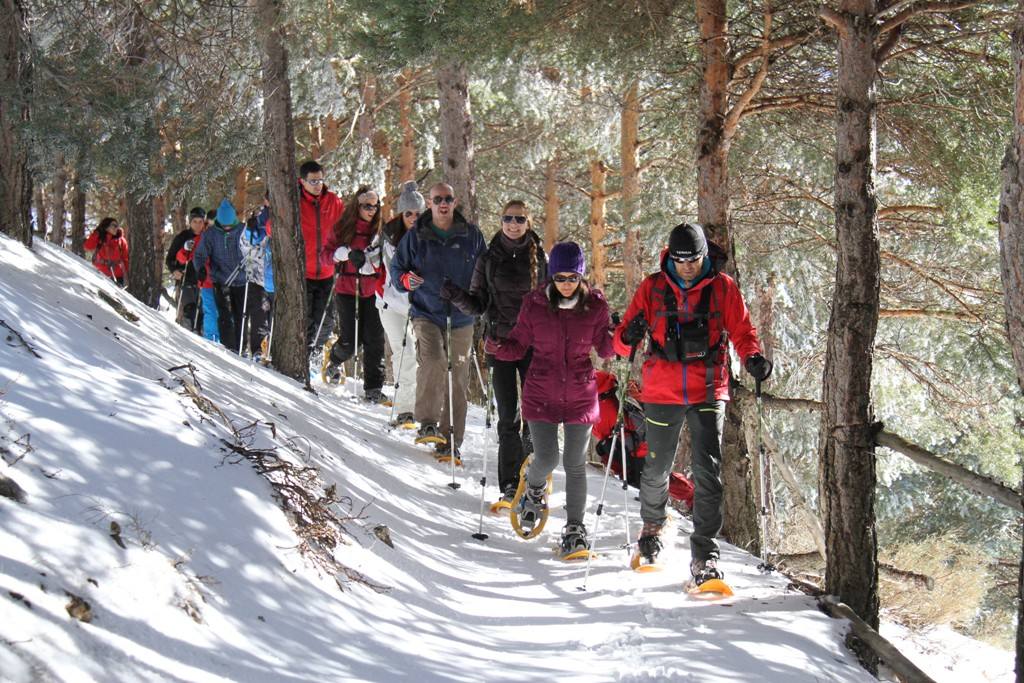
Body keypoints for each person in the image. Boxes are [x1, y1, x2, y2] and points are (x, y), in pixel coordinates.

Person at [613, 222, 771, 585]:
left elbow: (744, 332)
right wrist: (628, 335)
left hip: (708, 388)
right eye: (681, 259)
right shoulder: (652, 287)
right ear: (671, 256)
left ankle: (705, 555)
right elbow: (620, 345)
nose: (688, 266)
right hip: (662, 390)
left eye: (694, 259)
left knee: (707, 472)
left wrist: (753, 359)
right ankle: (652, 529)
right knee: (656, 469)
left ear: (704, 256)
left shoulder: (722, 287)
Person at [494, 241, 615, 556]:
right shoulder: (534, 305)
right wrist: (497, 346)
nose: (566, 284)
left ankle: (575, 528)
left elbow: (605, 349)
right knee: (547, 458)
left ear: (581, 277)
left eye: (572, 278)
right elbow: (518, 344)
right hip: (541, 393)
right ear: (550, 277)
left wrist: (619, 338)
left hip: (579, 394)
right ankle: (533, 487)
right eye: (560, 278)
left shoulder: (595, 308)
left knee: (575, 463)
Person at [443, 199, 547, 509]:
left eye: (519, 219)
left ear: (528, 222)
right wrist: (456, 295)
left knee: (534, 415)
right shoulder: (488, 259)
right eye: (508, 218)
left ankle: (534, 477)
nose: (513, 224)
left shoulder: (540, 258)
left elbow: (552, 303)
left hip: (533, 347)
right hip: (500, 345)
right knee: (507, 417)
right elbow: (478, 304)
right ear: (500, 221)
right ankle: (509, 484)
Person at [390, 182, 486, 459]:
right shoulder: (416, 235)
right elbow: (398, 268)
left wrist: (478, 298)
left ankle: (451, 438)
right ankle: (427, 423)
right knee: (432, 361)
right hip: (427, 311)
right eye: (437, 199)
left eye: (448, 198)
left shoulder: (471, 235)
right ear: (429, 203)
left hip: (461, 314)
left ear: (455, 202)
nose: (443, 203)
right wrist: (405, 281)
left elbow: (485, 269)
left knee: (457, 376)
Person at [326, 187, 388, 403]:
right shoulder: (344, 228)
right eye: (367, 206)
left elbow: (390, 260)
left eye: (375, 205)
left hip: (373, 291)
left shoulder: (381, 230)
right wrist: (342, 254)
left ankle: (373, 387)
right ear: (357, 206)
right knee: (351, 341)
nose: (372, 210)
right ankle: (334, 359)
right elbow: (326, 255)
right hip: (347, 290)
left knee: (374, 340)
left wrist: (374, 265)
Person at [377, 181, 424, 428]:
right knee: (405, 353)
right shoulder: (389, 237)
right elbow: (392, 273)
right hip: (393, 305)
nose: (414, 219)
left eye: (418, 214)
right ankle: (405, 410)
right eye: (409, 214)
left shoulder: (432, 237)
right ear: (401, 214)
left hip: (421, 308)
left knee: (427, 358)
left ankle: (424, 410)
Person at [297, 160, 345, 360]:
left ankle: (317, 354)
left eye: (320, 180)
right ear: (302, 181)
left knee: (326, 319)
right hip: (303, 272)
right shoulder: (293, 201)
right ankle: (305, 356)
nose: (318, 185)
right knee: (305, 319)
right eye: (313, 181)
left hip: (327, 270)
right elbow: (274, 227)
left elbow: (346, 226)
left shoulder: (333, 201)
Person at [192, 199, 246, 352]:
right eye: (224, 225)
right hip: (221, 280)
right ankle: (229, 349)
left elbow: (254, 249)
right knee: (224, 316)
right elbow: (200, 255)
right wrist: (200, 268)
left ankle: (240, 348)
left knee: (240, 315)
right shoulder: (211, 234)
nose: (227, 228)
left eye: (230, 225)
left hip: (241, 280)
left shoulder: (242, 230)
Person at [165, 207, 206, 333]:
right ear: (190, 222)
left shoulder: (207, 236)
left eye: (200, 222)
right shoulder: (182, 237)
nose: (198, 225)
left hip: (203, 279)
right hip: (186, 278)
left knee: (202, 311)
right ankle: (187, 334)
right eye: (195, 222)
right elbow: (170, 258)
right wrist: (174, 270)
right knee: (189, 310)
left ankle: (199, 334)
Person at [240, 210, 269, 358]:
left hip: (278, 279)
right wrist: (249, 232)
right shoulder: (257, 220)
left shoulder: (291, 215)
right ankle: (258, 350)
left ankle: (269, 349)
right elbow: (243, 245)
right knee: (259, 315)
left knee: (275, 317)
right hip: (257, 277)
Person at [84, 217, 128, 286]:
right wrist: (96, 233)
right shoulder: (100, 237)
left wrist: (126, 275)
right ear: (106, 227)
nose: (117, 228)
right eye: (114, 226)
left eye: (117, 226)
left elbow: (125, 258)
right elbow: (88, 246)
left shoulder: (121, 241)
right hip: (100, 273)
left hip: (117, 275)